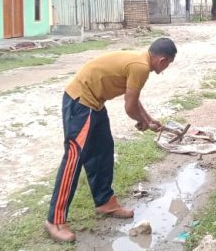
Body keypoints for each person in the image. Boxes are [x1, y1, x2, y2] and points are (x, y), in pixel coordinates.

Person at [44, 37, 177, 242]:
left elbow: (134, 100)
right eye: (168, 63)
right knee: (74, 158)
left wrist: (149, 120)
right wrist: (143, 122)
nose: (166, 68)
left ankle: (104, 201)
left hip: (95, 103)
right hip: (81, 102)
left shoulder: (140, 61)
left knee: (103, 150)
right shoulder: (141, 67)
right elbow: (130, 107)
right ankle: (55, 220)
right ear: (162, 60)